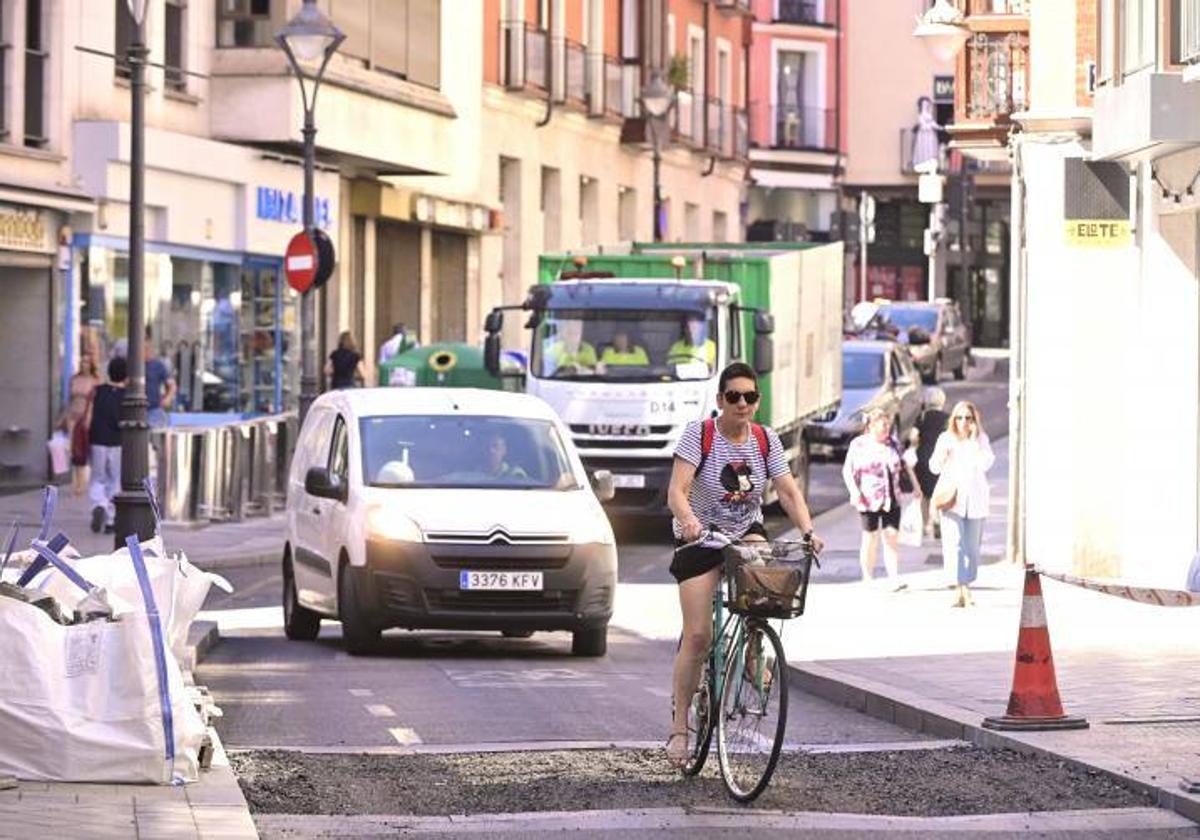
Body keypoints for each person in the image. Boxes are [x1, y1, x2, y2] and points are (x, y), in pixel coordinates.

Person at [664, 361, 823, 768]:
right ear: (720, 400)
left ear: (757, 401)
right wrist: (689, 522)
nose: (742, 404)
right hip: (700, 537)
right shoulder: (698, 435)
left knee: (764, 588)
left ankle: (754, 649)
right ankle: (680, 729)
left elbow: (787, 491)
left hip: (744, 532)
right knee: (698, 636)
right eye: (733, 396)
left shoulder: (764, 439)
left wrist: (807, 531)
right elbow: (677, 492)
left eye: (749, 397)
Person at [930, 400, 994, 608]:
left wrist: (974, 440)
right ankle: (962, 588)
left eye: (968, 418)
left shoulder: (981, 440)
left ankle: (964, 585)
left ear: (975, 420)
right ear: (953, 419)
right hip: (952, 500)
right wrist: (943, 455)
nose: (963, 422)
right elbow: (933, 467)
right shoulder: (946, 438)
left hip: (975, 500)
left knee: (972, 548)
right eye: (959, 417)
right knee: (955, 544)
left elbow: (986, 463)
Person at [842, 409, 909, 591]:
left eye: (888, 425)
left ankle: (894, 577)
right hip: (868, 498)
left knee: (892, 537)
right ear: (871, 426)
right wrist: (854, 491)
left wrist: (916, 487)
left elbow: (904, 465)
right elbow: (848, 471)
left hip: (891, 497)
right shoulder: (859, 445)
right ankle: (867, 577)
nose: (887, 428)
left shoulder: (893, 443)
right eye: (883, 425)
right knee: (870, 537)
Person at [85, 357, 127, 534]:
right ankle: (110, 519)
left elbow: (87, 419)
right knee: (115, 480)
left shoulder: (97, 391)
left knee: (97, 478)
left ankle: (99, 504)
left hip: (98, 440)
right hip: (117, 441)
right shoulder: (128, 395)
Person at [64, 350, 101, 497]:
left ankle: (83, 484)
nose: (84, 364)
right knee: (74, 450)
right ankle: (76, 483)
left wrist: (91, 419)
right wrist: (64, 418)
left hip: (87, 418)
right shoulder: (74, 379)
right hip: (73, 416)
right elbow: (68, 400)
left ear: (91, 364)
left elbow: (96, 402)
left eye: (87, 361)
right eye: (82, 361)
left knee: (84, 450)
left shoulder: (95, 380)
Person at [914, 387, 949, 538]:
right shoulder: (947, 418)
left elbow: (912, 436)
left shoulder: (921, 418)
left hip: (923, 458)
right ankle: (938, 522)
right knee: (940, 492)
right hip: (942, 459)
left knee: (926, 495)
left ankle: (925, 523)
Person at [145, 327, 176, 429]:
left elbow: (172, 385)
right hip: (136, 411)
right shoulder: (133, 365)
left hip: (154, 409)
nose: (147, 351)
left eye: (148, 348)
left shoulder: (158, 365)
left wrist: (168, 398)